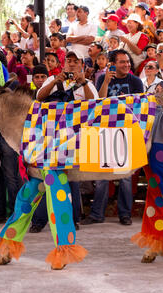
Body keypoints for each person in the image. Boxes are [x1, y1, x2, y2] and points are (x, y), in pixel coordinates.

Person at [31, 51, 98, 232]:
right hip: (52, 137)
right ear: (64, 64)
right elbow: (39, 97)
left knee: (72, 180)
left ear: (81, 65)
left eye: (76, 61)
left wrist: (82, 82)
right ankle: (39, 221)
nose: (72, 64)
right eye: (69, 61)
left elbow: (94, 104)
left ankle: (73, 219)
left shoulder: (88, 84)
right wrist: (55, 81)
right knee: (48, 177)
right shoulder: (52, 80)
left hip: (76, 139)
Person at [89, 49, 144, 226]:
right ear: (113, 64)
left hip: (126, 130)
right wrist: (105, 81)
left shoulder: (135, 81)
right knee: (102, 177)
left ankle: (125, 214)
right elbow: (99, 101)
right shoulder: (102, 79)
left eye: (128, 61)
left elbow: (139, 107)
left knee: (125, 177)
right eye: (122, 62)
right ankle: (97, 214)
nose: (126, 65)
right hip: (105, 130)